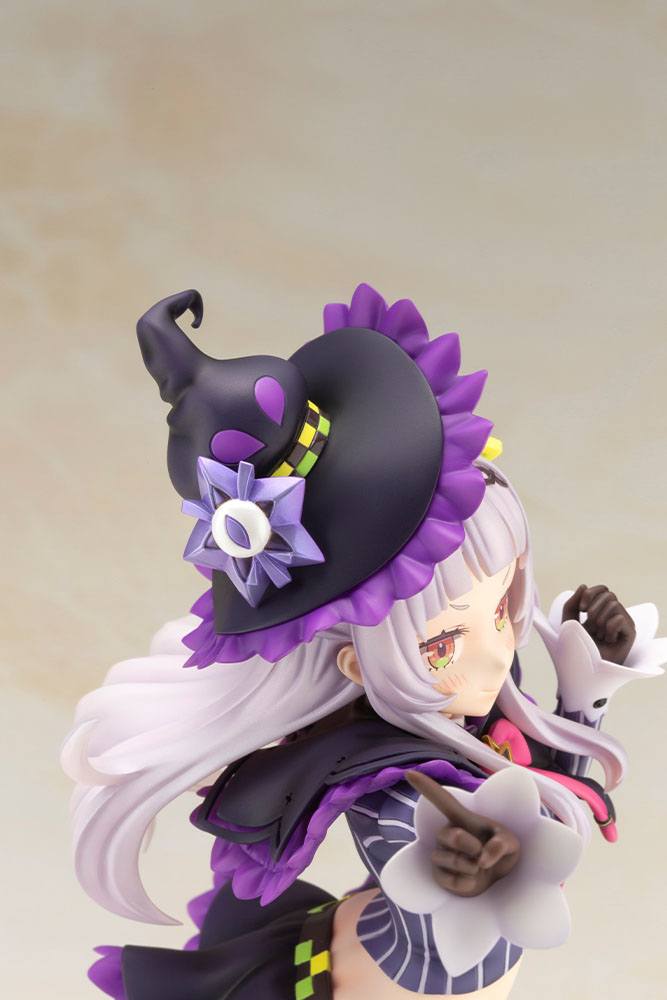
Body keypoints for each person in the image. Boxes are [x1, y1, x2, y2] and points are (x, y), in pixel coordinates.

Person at [62, 284, 664, 999]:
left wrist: (587, 683)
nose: (497, 651)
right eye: (443, 643)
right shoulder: (387, 783)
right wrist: (457, 873)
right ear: (354, 662)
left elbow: (554, 797)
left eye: (503, 608)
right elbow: (452, 936)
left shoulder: (467, 723)